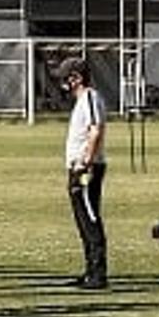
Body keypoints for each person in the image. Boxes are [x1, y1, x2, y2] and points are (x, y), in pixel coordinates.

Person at [61, 58, 108, 289]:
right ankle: (89, 270)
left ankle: (98, 273)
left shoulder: (89, 97)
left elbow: (95, 129)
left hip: (86, 168)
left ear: (77, 78)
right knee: (82, 220)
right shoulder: (80, 101)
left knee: (90, 219)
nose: (65, 84)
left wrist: (85, 161)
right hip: (76, 168)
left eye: (67, 78)